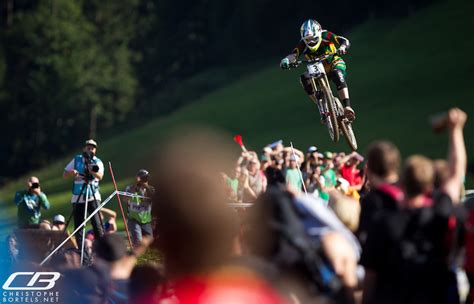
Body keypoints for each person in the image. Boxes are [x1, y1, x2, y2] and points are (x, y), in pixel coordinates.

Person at [361, 108, 467, 304]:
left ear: (403, 183)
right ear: (428, 186)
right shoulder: (440, 211)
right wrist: (455, 131)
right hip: (436, 294)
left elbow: (371, 273)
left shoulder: (383, 222)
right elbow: (455, 173)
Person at [280, 19, 354, 121]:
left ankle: (347, 106)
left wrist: (342, 47)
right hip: (316, 69)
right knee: (304, 79)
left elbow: (343, 40)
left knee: (337, 74)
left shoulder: (326, 35)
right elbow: (294, 54)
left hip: (333, 62)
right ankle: (321, 106)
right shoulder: (302, 43)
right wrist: (286, 60)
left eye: (313, 39)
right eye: (308, 40)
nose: (311, 42)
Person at [63, 139, 105, 248]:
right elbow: (64, 174)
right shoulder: (77, 159)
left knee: (97, 224)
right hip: (78, 196)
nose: (90, 149)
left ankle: (101, 252)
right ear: (84, 148)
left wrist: (92, 170)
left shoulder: (97, 161)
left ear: (95, 150)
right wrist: (71, 173)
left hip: (93, 195)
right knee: (79, 227)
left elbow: (100, 176)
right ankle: (83, 254)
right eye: (88, 147)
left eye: (93, 147)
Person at [125, 169, 155, 245]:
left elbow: (153, 199)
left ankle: (144, 255)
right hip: (134, 219)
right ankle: (137, 255)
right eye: (143, 178)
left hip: (146, 221)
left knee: (150, 241)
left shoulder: (151, 189)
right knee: (138, 242)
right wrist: (135, 186)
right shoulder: (130, 188)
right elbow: (125, 199)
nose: (144, 180)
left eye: (146, 178)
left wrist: (146, 187)